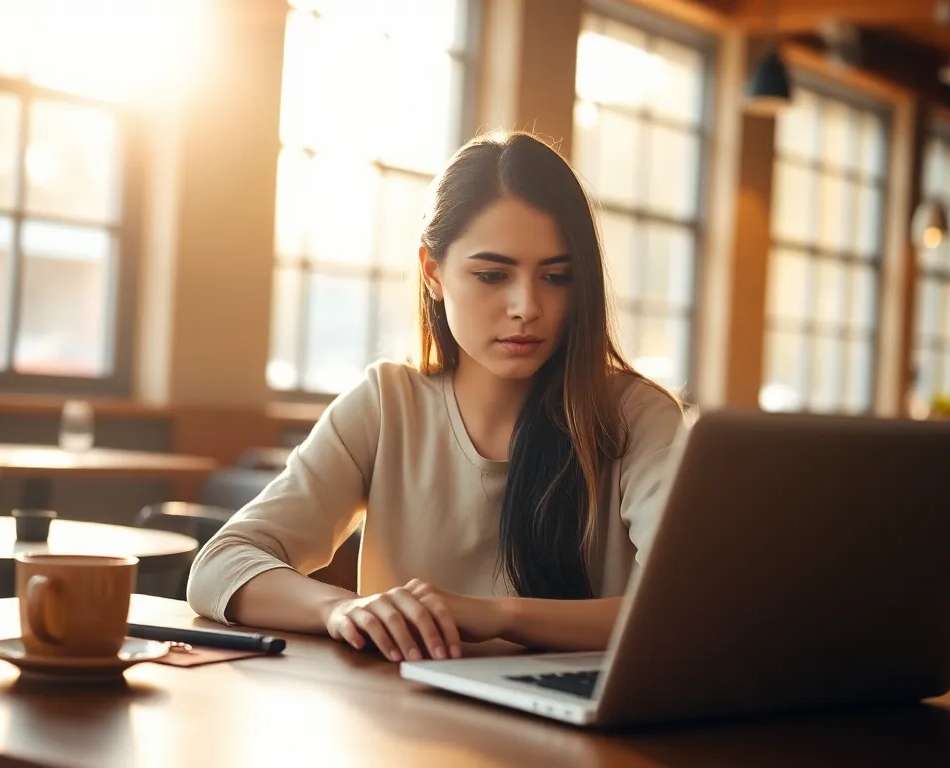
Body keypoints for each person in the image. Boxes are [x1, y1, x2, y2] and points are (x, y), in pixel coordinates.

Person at [187, 131, 686, 663]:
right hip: (412, 724)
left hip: (579, 729)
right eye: (492, 274)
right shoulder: (387, 403)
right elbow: (222, 565)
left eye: (556, 277)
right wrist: (341, 609)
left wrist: (498, 615)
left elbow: (685, 606)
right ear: (433, 273)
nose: (527, 306)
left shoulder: (637, 416)